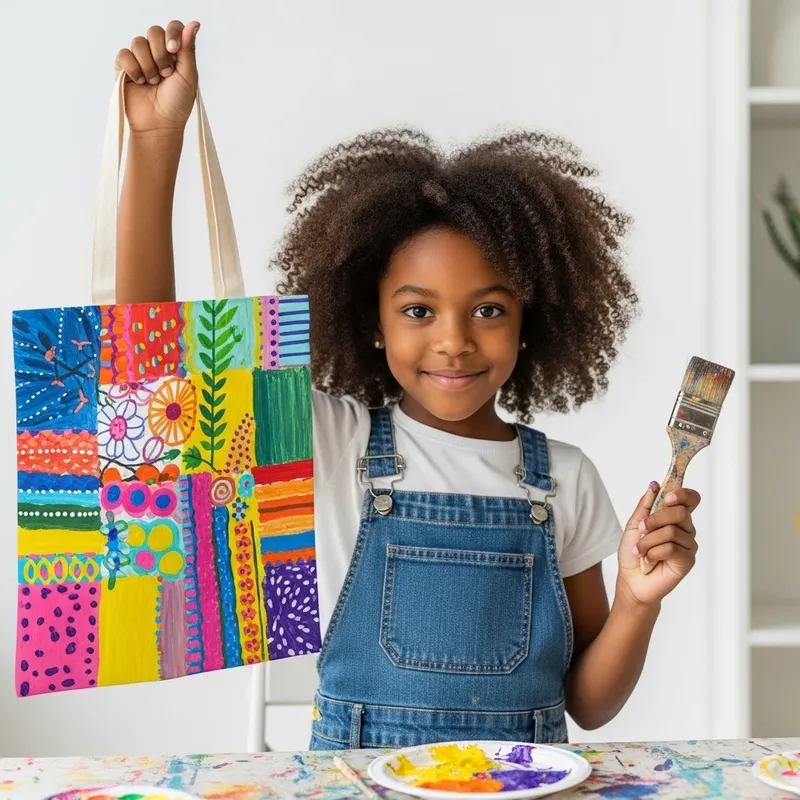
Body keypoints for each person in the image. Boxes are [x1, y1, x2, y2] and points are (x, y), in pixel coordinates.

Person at [113, 21, 701, 750]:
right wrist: (153, 143)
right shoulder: (332, 442)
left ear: (529, 323)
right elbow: (147, 376)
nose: (453, 339)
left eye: (488, 310)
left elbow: (589, 703)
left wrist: (639, 603)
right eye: (418, 310)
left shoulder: (566, 480)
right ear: (372, 322)